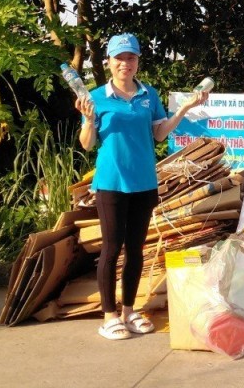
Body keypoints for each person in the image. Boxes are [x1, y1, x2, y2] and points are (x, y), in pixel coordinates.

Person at [75, 33, 209, 341]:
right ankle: (109, 315)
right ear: (108, 62)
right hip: (110, 183)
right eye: (119, 58)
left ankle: (129, 311)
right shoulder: (95, 98)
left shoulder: (149, 95)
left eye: (131, 57)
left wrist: (185, 108)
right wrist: (86, 120)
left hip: (144, 182)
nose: (125, 64)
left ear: (137, 61)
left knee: (135, 250)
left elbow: (160, 134)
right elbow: (87, 144)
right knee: (111, 249)